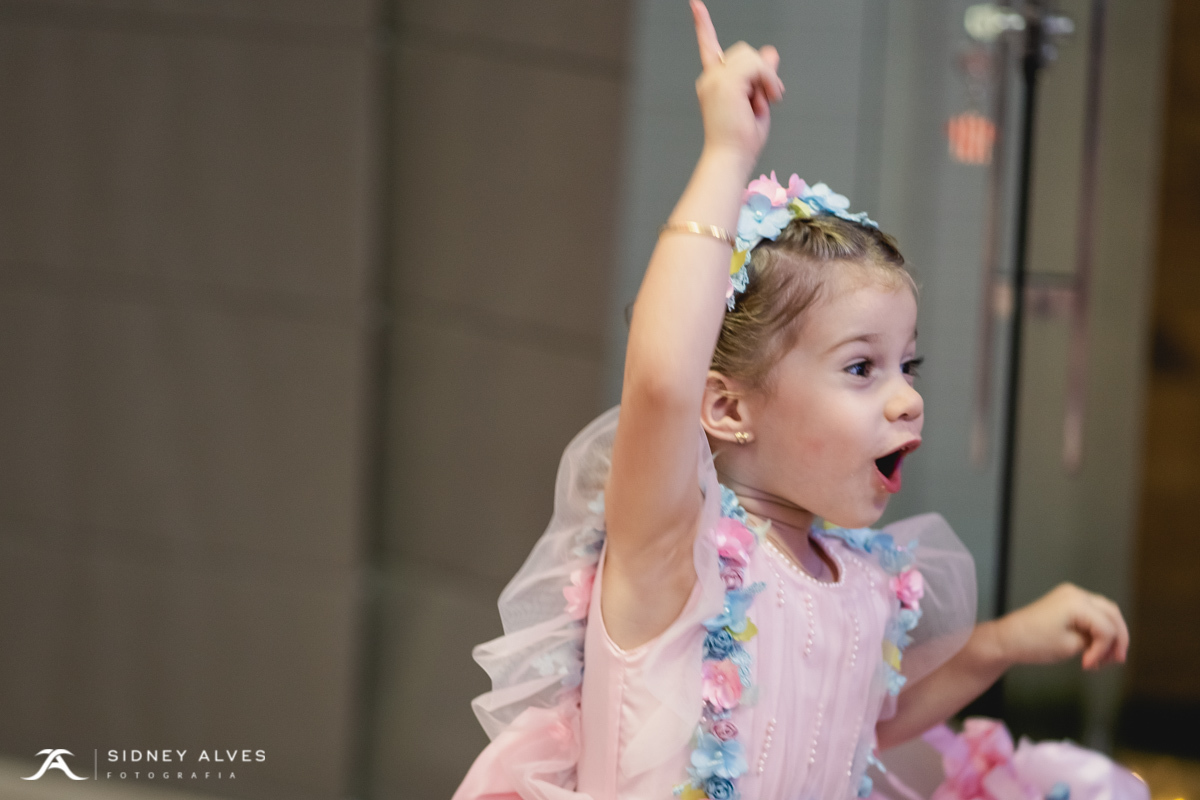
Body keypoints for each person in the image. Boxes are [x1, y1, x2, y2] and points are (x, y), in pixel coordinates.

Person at [452, 3, 1132, 798]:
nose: (908, 399)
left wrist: (1003, 643)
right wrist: (726, 154)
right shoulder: (675, 553)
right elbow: (662, 381)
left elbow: (874, 723)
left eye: (907, 365)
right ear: (728, 408)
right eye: (861, 368)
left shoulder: (863, 580)